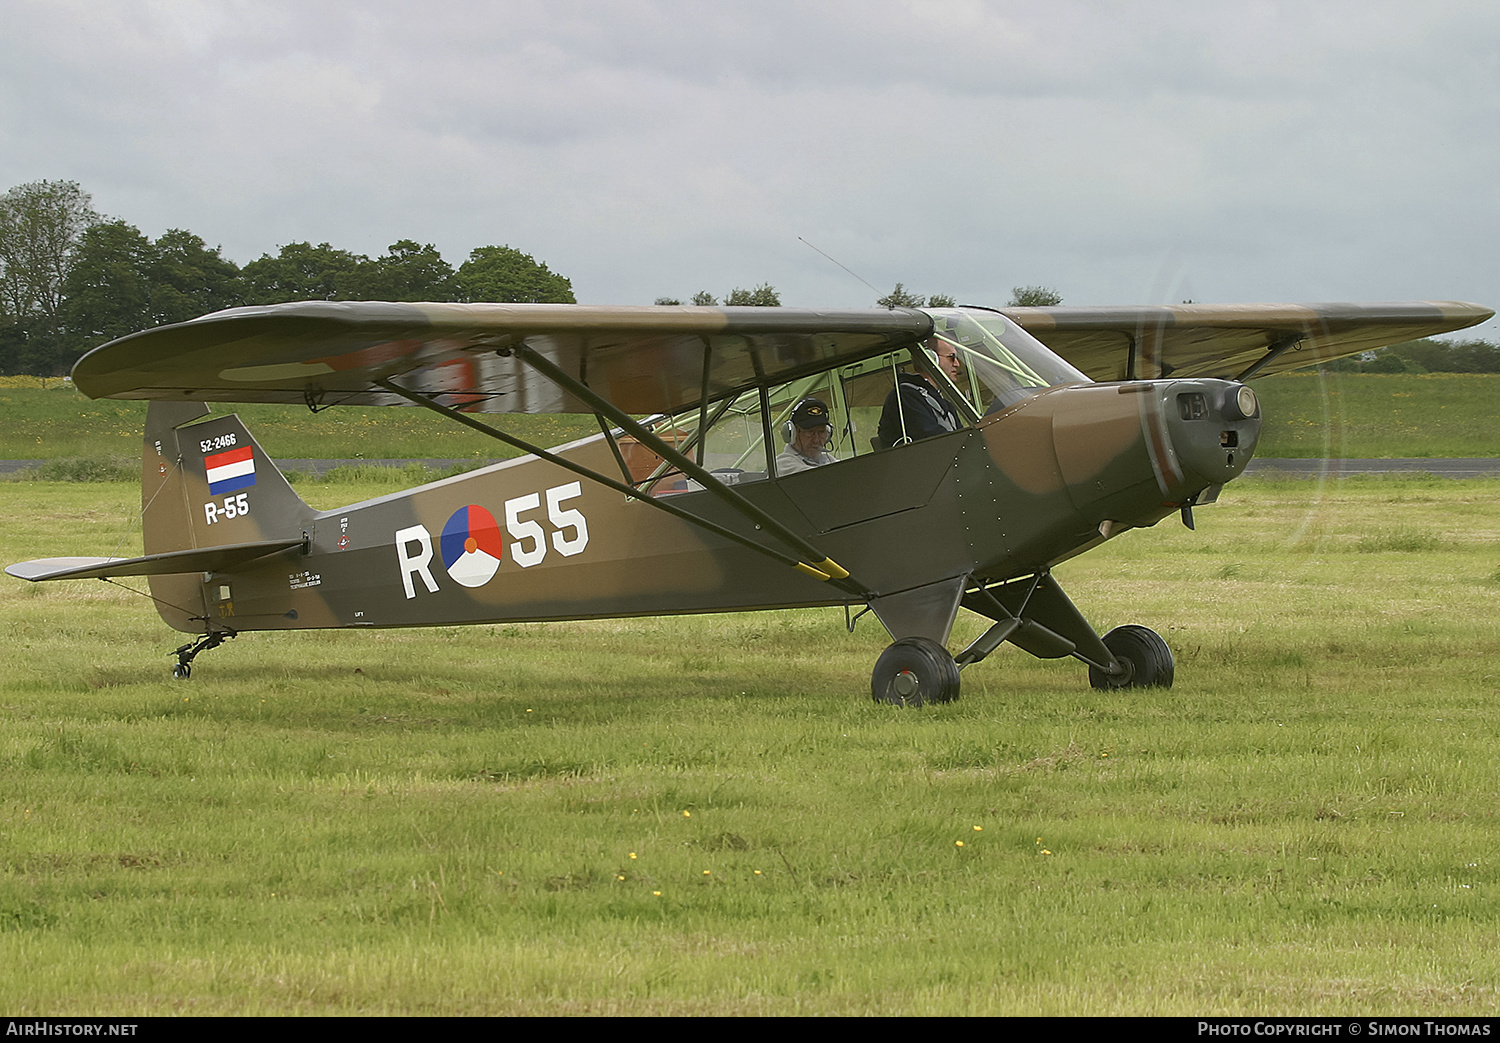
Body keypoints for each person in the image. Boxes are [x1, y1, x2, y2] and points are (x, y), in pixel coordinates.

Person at [877, 339, 965, 448]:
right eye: (951, 357)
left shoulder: (943, 402)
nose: (957, 364)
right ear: (931, 358)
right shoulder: (905, 397)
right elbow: (933, 440)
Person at [775, 397, 838, 476]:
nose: (816, 440)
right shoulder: (783, 465)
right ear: (793, 434)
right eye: (810, 432)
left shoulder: (827, 459)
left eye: (821, 432)